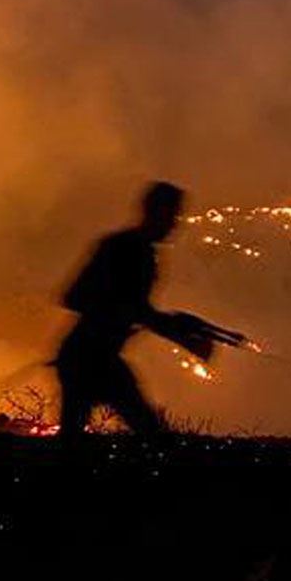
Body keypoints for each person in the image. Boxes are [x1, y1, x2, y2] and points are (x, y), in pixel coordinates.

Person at [52, 181, 244, 436]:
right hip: (88, 357)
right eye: (172, 215)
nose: (176, 223)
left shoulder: (140, 253)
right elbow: (74, 297)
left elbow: (139, 310)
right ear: (153, 212)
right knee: (147, 432)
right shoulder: (122, 248)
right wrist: (180, 335)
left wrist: (180, 329)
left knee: (86, 438)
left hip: (93, 356)